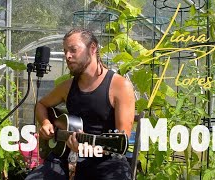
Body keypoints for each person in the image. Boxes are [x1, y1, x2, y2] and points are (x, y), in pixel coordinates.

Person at [25, 28, 135, 180]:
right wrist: (45, 123)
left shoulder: (120, 86)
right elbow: (41, 105)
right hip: (65, 155)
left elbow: (122, 140)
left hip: (108, 161)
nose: (67, 56)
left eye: (73, 50)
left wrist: (88, 148)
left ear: (92, 48)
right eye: (65, 51)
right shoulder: (67, 86)